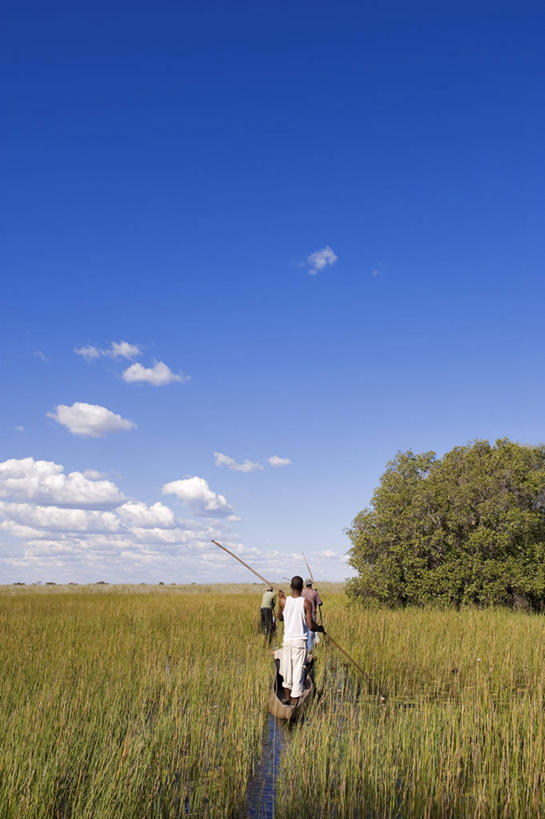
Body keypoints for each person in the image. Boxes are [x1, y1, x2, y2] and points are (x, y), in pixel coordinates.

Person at [277, 576, 324, 705]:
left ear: (291, 587)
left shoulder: (283, 601)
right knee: (298, 671)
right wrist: (319, 628)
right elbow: (310, 626)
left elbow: (279, 618)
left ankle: (287, 698)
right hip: (299, 642)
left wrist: (280, 599)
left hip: (287, 642)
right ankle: (294, 701)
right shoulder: (305, 603)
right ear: (302, 587)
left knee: (287, 670)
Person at [302, 579, 323, 653]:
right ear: (311, 584)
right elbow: (319, 603)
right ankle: (309, 650)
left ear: (305, 584)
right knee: (311, 632)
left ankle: (304, 649)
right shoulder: (314, 593)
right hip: (312, 614)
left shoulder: (302, 592)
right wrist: (316, 593)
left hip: (303, 614)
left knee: (304, 631)